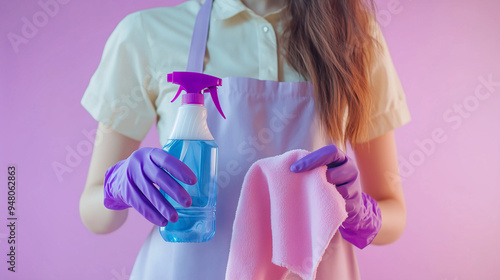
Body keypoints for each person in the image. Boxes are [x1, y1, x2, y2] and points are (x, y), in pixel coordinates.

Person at [79, 0, 411, 279]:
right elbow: (96, 214)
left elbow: (393, 213)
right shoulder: (146, 34)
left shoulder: (356, 36)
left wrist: (363, 215)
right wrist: (117, 185)